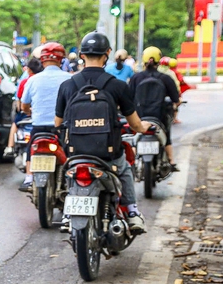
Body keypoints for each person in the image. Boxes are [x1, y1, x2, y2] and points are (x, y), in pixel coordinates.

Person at [54, 32, 152, 233]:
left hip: (77, 153)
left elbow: (58, 122)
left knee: (69, 172)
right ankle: (132, 212)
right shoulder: (117, 86)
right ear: (107, 53)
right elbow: (135, 124)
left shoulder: (67, 85)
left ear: (81, 54)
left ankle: (67, 213)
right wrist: (144, 128)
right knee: (124, 168)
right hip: (108, 155)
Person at [18, 42, 72, 192]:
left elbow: (24, 106)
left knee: (31, 147)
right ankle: (69, 178)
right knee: (69, 151)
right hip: (61, 127)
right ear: (61, 60)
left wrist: (30, 112)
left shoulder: (32, 80)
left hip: (39, 127)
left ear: (42, 60)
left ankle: (29, 178)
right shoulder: (69, 79)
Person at [129, 46, 179, 170]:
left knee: (134, 136)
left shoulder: (136, 78)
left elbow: (128, 98)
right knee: (166, 136)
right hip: (159, 116)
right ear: (159, 60)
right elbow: (176, 99)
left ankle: (132, 161)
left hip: (140, 116)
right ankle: (171, 161)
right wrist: (175, 105)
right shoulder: (165, 78)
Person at [3, 57, 43, 158]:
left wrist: (26, 110)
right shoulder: (43, 81)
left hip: (27, 112)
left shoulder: (25, 82)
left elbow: (20, 102)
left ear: (28, 70)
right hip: (41, 113)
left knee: (15, 124)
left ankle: (10, 147)